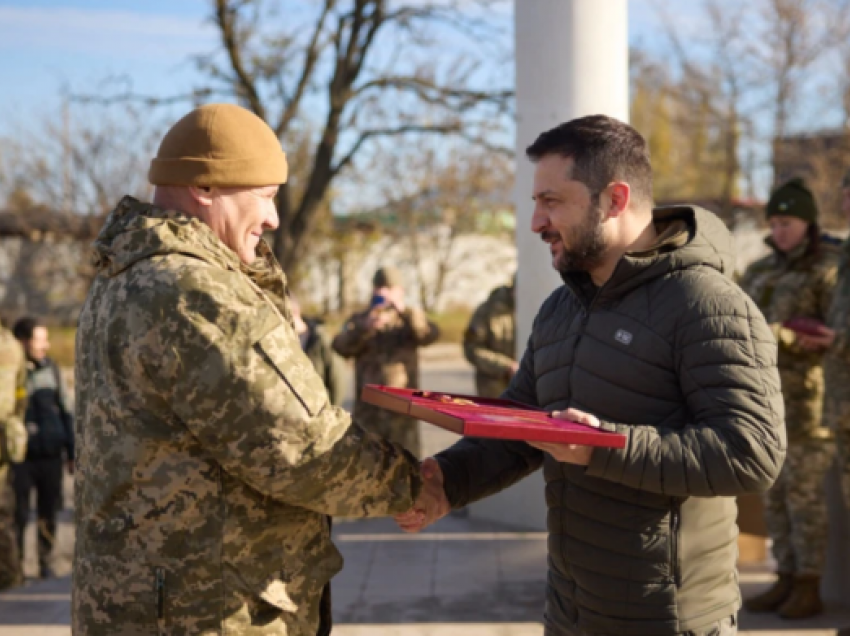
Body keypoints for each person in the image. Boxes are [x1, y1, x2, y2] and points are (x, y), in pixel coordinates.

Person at [397, 115, 786, 636]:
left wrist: (604, 446)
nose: (536, 222)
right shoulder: (560, 308)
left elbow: (751, 453)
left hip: (668, 619)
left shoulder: (706, 304)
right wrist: (448, 481)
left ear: (616, 199)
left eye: (552, 201)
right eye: (536, 203)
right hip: (571, 610)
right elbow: (524, 429)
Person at [72, 103, 442, 636]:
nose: (272, 218)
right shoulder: (193, 291)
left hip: (149, 601)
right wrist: (418, 484)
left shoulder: (125, 276)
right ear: (205, 187)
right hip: (205, 610)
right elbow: (300, 449)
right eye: (264, 196)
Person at [737, 179, 838, 619]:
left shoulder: (828, 269)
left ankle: (808, 584)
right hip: (764, 403)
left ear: (808, 223)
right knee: (774, 498)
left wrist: (785, 336)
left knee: (804, 500)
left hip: (809, 405)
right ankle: (784, 578)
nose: (779, 231)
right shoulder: (759, 271)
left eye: (788, 222)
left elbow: (830, 335)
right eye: (774, 223)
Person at [332, 268, 439, 458]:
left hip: (403, 409)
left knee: (406, 465)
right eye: (379, 287)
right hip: (368, 411)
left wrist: (405, 312)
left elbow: (428, 336)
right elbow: (339, 346)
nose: (383, 292)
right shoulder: (361, 319)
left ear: (400, 291)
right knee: (368, 466)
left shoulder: (409, 318)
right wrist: (364, 329)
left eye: (389, 288)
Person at [799, 168, 850, 518]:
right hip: (841, 402)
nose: (846, 202)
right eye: (845, 193)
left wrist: (840, 340)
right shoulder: (844, 253)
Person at [11, 317, 75, 580]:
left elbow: (67, 411)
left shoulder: (53, 370)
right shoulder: (10, 371)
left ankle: (45, 564)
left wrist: (71, 453)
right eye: (39, 340)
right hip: (21, 457)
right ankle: (16, 568)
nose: (45, 346)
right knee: (19, 513)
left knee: (49, 512)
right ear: (22, 342)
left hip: (50, 455)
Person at [0, 320, 27, 590]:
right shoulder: (12, 344)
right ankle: (10, 574)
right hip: (5, 437)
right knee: (4, 510)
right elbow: (21, 393)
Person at [463, 277, 517, 398]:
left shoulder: (542, 309)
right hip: (494, 388)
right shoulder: (486, 311)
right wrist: (506, 366)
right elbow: (472, 349)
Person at [290, 298, 347, 406]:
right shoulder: (282, 341)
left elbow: (337, 379)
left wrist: (332, 411)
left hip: (320, 411)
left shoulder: (321, 339)